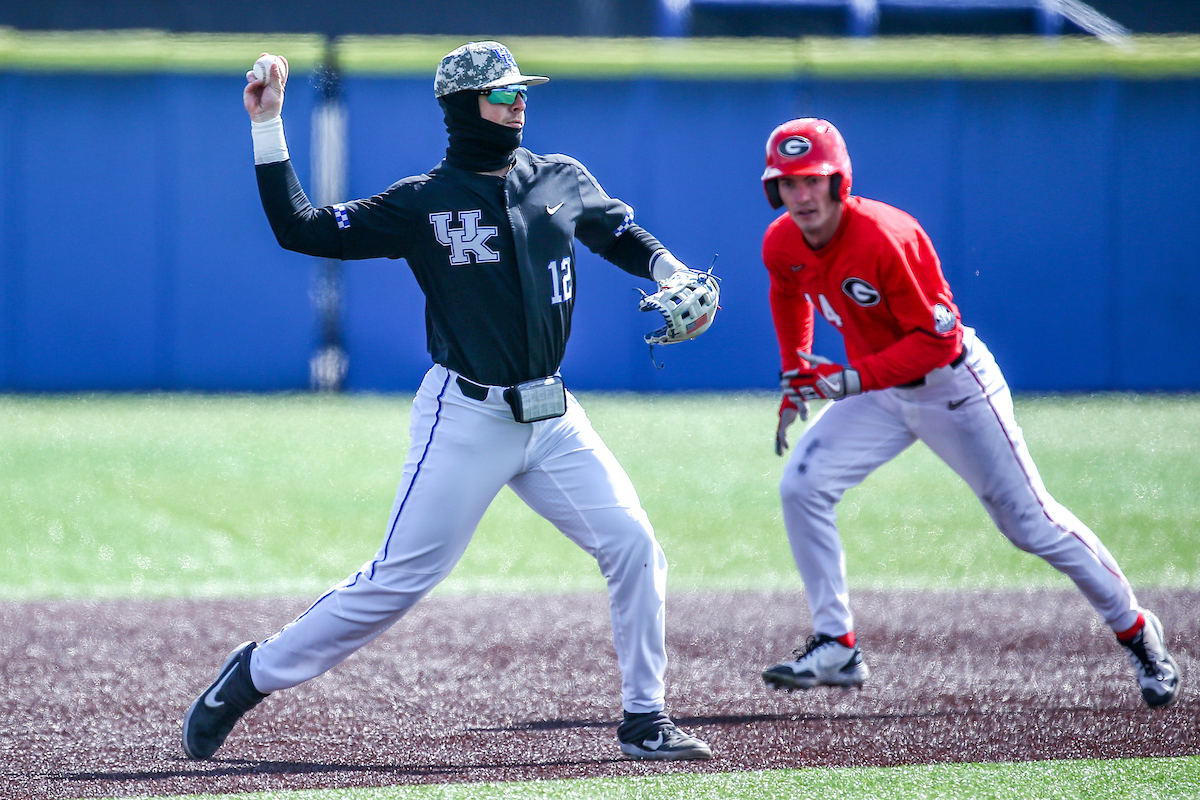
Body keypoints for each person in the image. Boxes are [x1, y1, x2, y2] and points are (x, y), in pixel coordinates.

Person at [180, 41, 713, 762]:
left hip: (554, 419)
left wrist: (669, 267)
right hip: (467, 416)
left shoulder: (558, 176)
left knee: (634, 545)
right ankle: (251, 676)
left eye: (522, 90)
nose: (520, 102)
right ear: (466, 107)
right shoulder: (423, 201)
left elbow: (615, 230)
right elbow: (299, 227)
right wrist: (268, 124)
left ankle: (645, 719)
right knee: (398, 580)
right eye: (503, 93)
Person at [756, 117, 1180, 710]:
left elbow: (938, 344)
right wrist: (794, 369)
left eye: (811, 181)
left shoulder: (887, 237)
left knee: (1030, 525)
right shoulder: (782, 241)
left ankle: (1138, 631)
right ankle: (838, 645)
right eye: (787, 183)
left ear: (838, 182)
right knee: (803, 486)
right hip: (881, 388)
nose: (800, 196)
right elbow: (786, 290)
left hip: (952, 388)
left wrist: (849, 378)